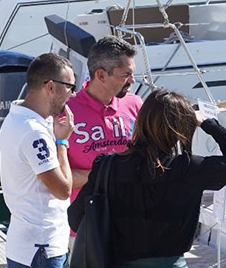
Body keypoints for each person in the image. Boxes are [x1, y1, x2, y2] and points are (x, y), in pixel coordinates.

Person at [68, 89, 226, 268]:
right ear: (181, 128)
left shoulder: (107, 166)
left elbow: (75, 218)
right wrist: (208, 124)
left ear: (141, 121)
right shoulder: (189, 169)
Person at [0, 53, 76, 268]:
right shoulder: (34, 133)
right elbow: (62, 190)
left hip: (26, 244)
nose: (73, 94)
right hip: (41, 248)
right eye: (70, 86)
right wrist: (62, 142)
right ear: (51, 87)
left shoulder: (16, 118)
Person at [66, 37, 142, 202]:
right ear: (101, 75)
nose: (132, 80)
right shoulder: (65, 112)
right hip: (87, 222)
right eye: (126, 75)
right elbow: (59, 177)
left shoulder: (135, 104)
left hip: (132, 217)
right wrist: (108, 175)